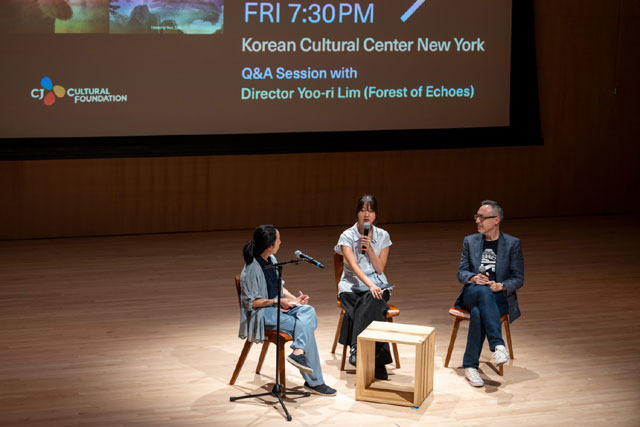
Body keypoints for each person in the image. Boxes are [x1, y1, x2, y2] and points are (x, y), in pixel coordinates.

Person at [238, 225, 336, 396]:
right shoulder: (252, 268)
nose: (281, 242)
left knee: (308, 311)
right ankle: (314, 381)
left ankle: (299, 351)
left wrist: (293, 300)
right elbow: (251, 302)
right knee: (303, 327)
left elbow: (280, 288)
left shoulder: (272, 259)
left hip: (276, 307)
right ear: (269, 245)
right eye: (278, 240)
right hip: (261, 314)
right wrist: (277, 301)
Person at [454, 200, 524, 387]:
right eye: (477, 216)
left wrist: (501, 285)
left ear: (496, 220)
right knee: (482, 293)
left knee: (479, 312)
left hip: (498, 297)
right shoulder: (470, 241)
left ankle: (470, 366)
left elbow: (518, 278)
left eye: (482, 217)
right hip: (472, 293)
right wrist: (473, 278)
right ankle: (498, 345)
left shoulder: (512, 244)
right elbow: (461, 273)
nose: (478, 221)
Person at [334, 195, 393, 380]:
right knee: (375, 304)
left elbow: (380, 268)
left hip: (377, 284)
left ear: (376, 214)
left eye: (371, 210)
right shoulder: (347, 236)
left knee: (370, 300)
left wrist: (371, 249)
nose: (366, 214)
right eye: (363, 210)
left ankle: (357, 348)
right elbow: (353, 265)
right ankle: (380, 361)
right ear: (357, 212)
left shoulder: (383, 235)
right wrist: (370, 285)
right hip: (351, 286)